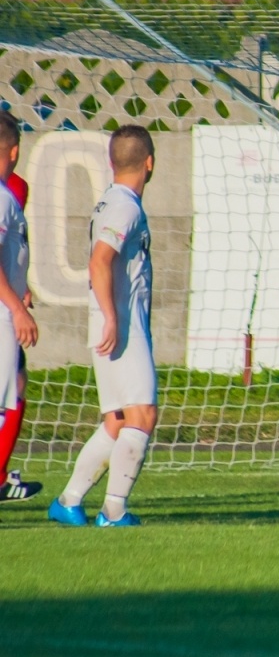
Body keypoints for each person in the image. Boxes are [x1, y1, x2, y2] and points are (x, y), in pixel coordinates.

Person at [49, 126, 158, 528]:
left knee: (117, 420)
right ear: (149, 163)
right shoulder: (124, 206)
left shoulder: (112, 200)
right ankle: (114, 511)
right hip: (120, 325)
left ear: (112, 163)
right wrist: (113, 317)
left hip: (113, 322)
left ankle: (68, 500)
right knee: (142, 414)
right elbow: (99, 260)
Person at [0, 115, 39, 504]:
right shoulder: (8, 192)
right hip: (1, 315)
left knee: (17, 384)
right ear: (13, 151)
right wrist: (17, 306)